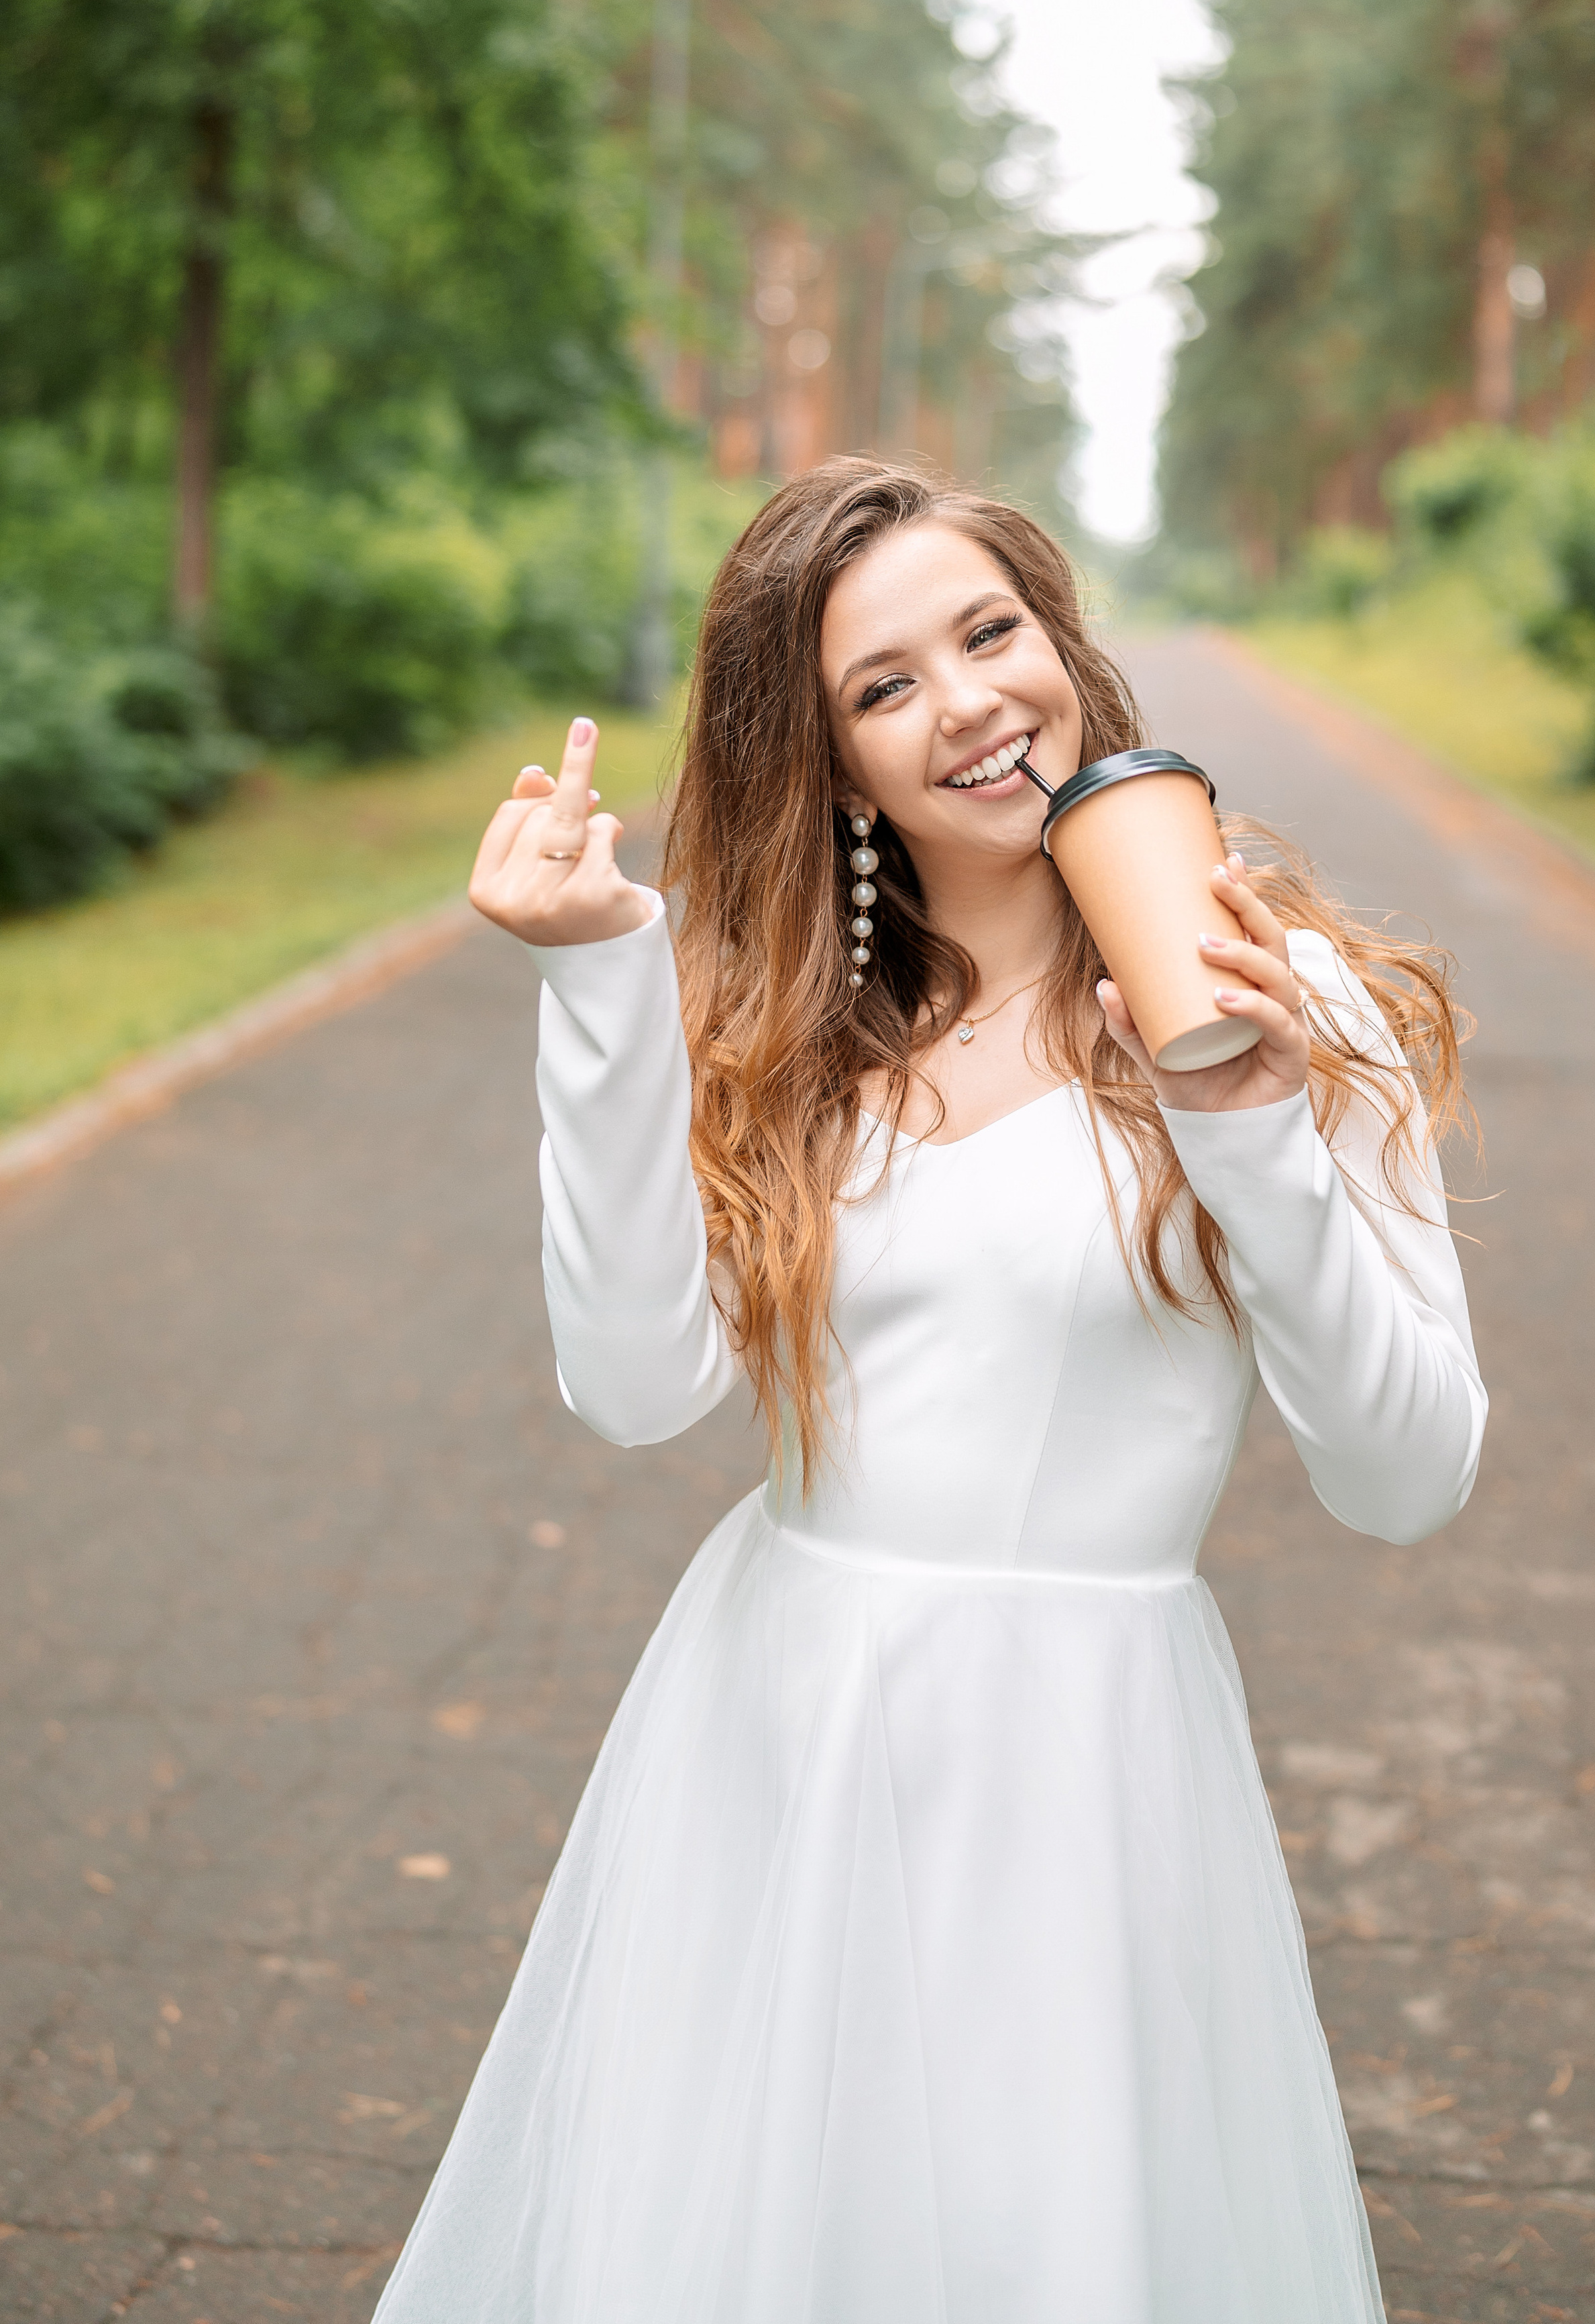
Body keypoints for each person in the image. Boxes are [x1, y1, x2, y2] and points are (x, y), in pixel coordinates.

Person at [372, 460, 1486, 2324]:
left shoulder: (1291, 1005)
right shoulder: (800, 1031)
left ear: (1063, 645)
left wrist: (1256, 1140)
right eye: (884, 686)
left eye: (991, 632)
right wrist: (597, 988)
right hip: (773, 1734)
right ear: (830, 765)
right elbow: (640, 1389)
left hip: (1089, 1762)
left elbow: (1405, 1477)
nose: (969, 702)